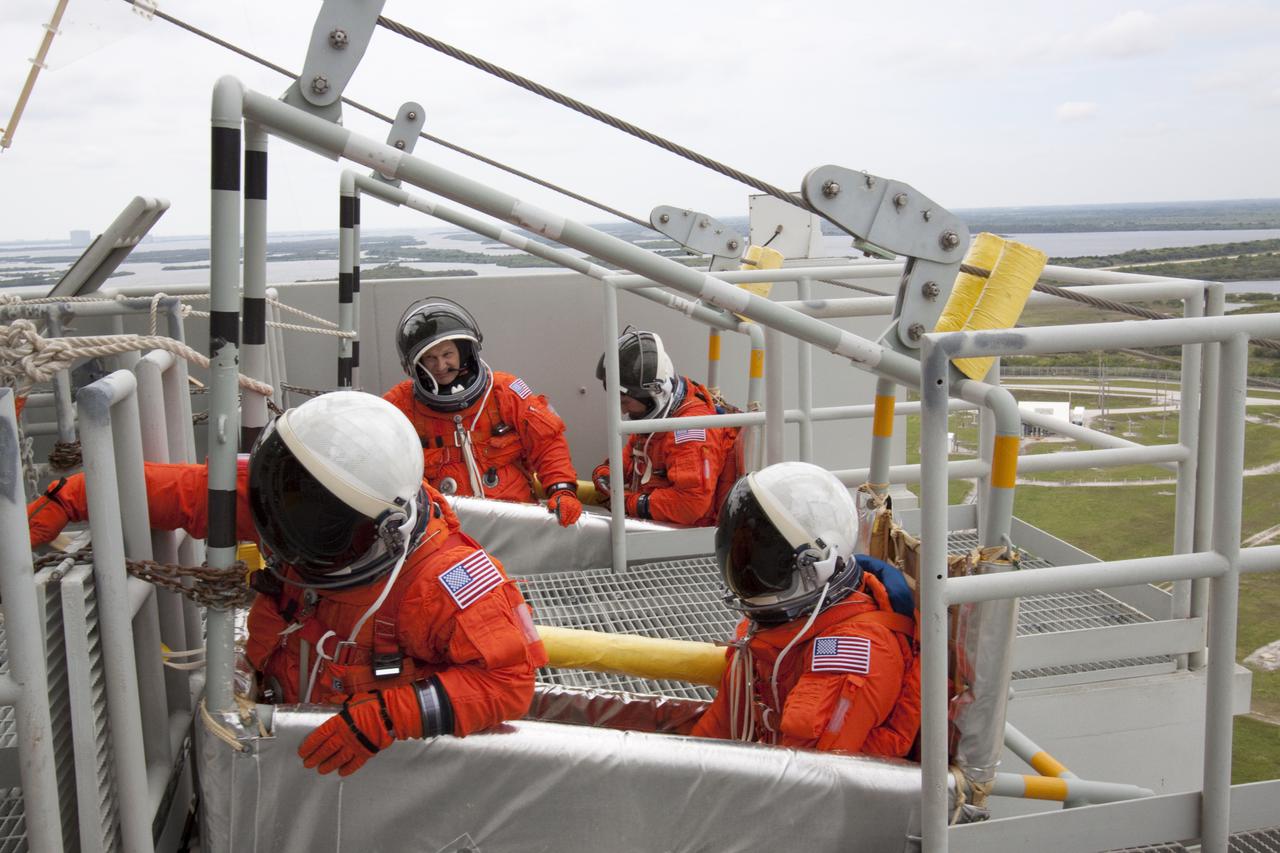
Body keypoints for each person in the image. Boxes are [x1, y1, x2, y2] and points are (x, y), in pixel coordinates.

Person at [26, 391, 547, 777]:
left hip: (364, 757)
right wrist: (72, 494)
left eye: (311, 534)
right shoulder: (293, 493)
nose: (278, 541)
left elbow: (509, 682)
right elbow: (181, 491)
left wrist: (389, 718)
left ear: (378, 533)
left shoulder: (438, 582)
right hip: (275, 722)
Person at [690, 462, 920, 757]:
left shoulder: (850, 655)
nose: (748, 570)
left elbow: (803, 778)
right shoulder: (781, 627)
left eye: (763, 562)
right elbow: (724, 723)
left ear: (816, 566)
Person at [383, 297, 583, 527]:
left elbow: (547, 443)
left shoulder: (503, 391)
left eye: (447, 354)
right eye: (430, 358)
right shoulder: (401, 405)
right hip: (447, 528)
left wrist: (562, 489)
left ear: (464, 350)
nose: (440, 366)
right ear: (416, 364)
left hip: (516, 520)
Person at [591, 328, 737, 526]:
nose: (623, 411)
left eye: (625, 402)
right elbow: (634, 453)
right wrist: (607, 472)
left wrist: (628, 503)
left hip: (687, 537)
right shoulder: (658, 419)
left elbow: (691, 504)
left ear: (654, 397)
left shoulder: (689, 430)